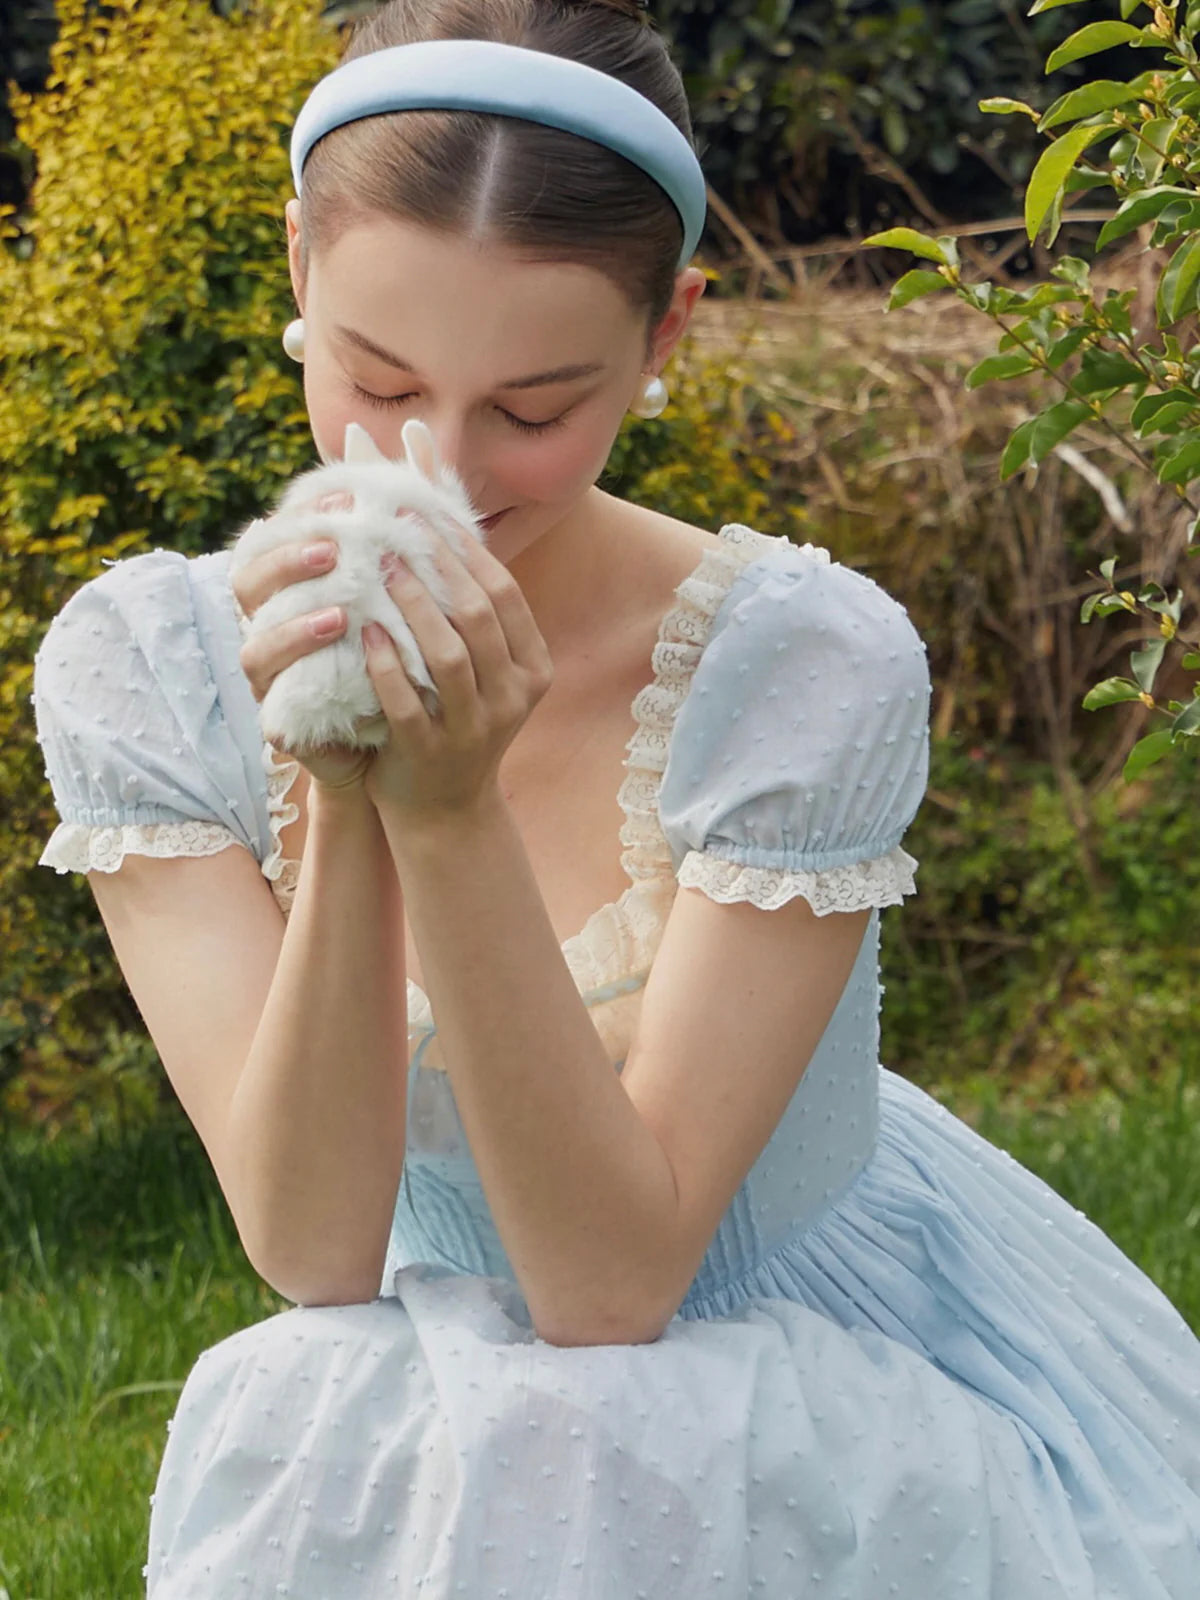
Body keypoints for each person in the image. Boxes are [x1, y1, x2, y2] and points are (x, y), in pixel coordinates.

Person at [29, 1, 1200, 1595]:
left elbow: (610, 1289)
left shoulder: (797, 666)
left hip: (796, 1343)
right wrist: (354, 789)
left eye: (533, 410)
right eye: (378, 380)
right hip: (414, 1341)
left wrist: (453, 820)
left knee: (577, 1436)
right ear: (300, 269)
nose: (437, 472)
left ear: (667, 338)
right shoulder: (148, 666)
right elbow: (312, 1250)